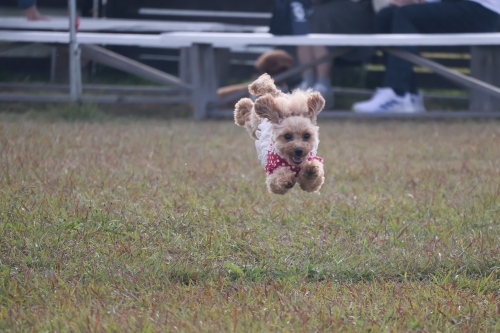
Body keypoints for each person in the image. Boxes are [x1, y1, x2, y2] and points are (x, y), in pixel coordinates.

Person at [353, 0, 500, 113]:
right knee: (386, 16)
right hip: (464, 7)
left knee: (406, 15)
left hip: (484, 12)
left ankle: (396, 92)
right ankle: (409, 97)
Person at [297, 0, 376, 109]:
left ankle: (323, 87)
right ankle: (309, 84)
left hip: (355, 10)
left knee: (320, 15)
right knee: (301, 16)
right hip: (319, 7)